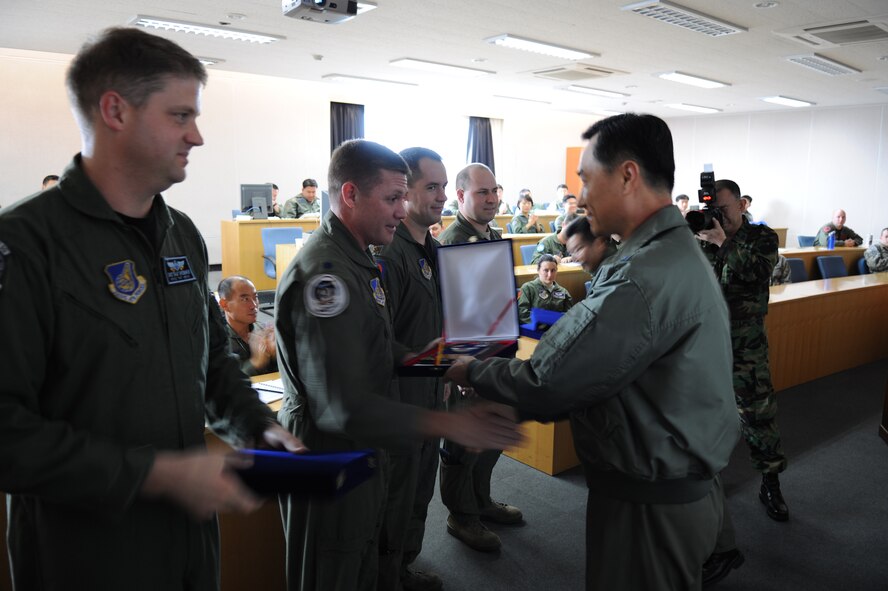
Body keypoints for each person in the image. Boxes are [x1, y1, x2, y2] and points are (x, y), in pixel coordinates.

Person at [0, 27, 306, 591]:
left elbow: (213, 362)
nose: (198, 135)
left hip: (189, 536)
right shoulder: (25, 244)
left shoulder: (180, 234)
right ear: (115, 110)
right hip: (86, 552)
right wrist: (156, 475)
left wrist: (261, 432)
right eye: (180, 115)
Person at [445, 113, 740, 590]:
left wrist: (473, 372)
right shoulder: (674, 253)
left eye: (586, 179)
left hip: (647, 508)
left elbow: (550, 380)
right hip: (671, 490)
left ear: (627, 175)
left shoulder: (642, 276)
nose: (579, 197)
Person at [274, 141, 521, 591]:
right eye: (392, 199)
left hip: (365, 438)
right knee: (335, 565)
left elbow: (383, 345)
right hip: (330, 449)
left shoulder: (360, 257)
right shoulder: (326, 274)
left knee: (368, 551)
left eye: (404, 197)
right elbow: (340, 405)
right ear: (350, 195)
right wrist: (446, 426)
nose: (402, 209)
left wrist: (447, 365)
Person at [437, 162, 523, 553]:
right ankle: (461, 516)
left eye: (494, 191)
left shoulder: (494, 235)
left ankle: (481, 502)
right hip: (468, 363)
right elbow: (450, 314)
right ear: (460, 197)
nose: (491, 199)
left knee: (489, 438)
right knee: (462, 446)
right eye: (481, 193)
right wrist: (459, 371)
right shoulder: (452, 242)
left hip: (496, 357)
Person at [375, 147, 449, 591]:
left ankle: (403, 566)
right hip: (401, 400)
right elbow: (383, 340)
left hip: (431, 392)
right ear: (406, 190)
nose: (441, 196)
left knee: (421, 490)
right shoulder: (389, 254)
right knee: (397, 496)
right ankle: (386, 577)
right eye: (431, 187)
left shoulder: (434, 249)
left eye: (443, 186)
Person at [696, 180, 789, 516]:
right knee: (703, 413)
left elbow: (757, 270)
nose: (718, 216)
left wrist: (722, 242)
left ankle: (771, 484)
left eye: (723, 209)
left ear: (742, 204)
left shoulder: (762, 237)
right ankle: (704, 483)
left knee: (757, 414)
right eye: (713, 211)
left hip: (746, 341)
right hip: (706, 341)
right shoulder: (701, 238)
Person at [217, 275, 278, 376]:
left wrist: (277, 354)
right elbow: (223, 382)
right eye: (245, 299)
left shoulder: (263, 332)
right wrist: (255, 363)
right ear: (225, 305)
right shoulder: (218, 342)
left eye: (255, 297)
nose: (254, 305)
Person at [517, 254, 573, 324]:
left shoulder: (563, 292)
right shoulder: (527, 288)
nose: (550, 275)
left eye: (553, 270)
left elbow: (569, 316)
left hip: (557, 330)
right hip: (535, 330)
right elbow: (522, 313)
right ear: (538, 270)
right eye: (546, 270)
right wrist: (542, 324)